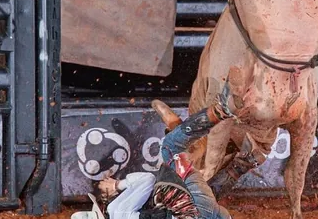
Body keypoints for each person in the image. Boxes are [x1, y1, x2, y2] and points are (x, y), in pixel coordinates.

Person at [90, 85, 237, 219]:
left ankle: (249, 160)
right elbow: (147, 179)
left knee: (206, 198)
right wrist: (117, 185)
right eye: (103, 187)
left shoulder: (129, 206)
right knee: (170, 147)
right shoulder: (117, 210)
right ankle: (220, 110)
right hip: (190, 209)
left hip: (207, 213)